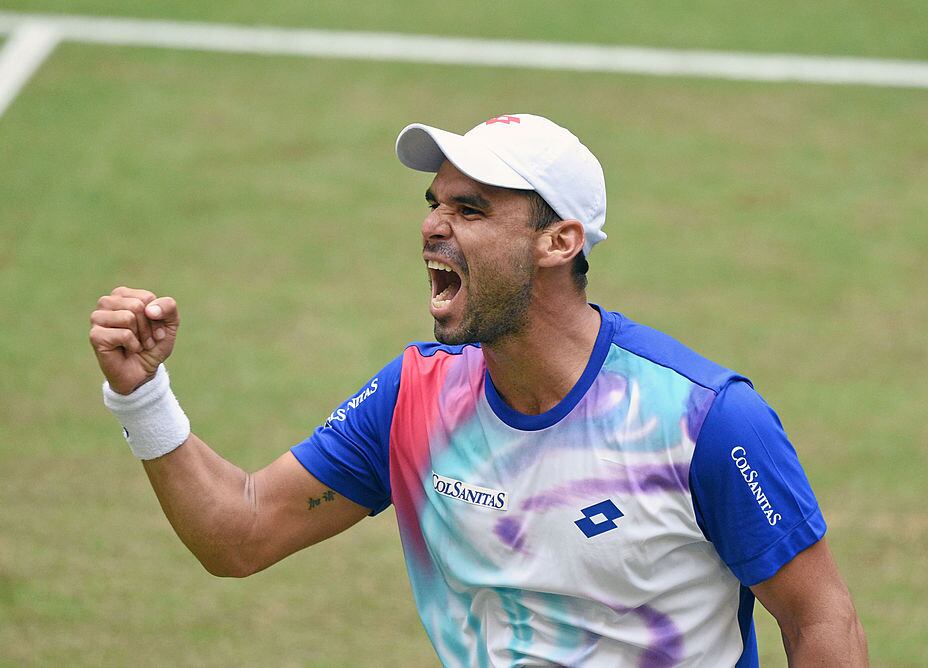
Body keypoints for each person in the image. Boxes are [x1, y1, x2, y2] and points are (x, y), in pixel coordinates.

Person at [89, 114, 867, 666]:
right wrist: (142, 398)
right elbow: (241, 532)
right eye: (434, 204)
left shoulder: (705, 420)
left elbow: (818, 617)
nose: (434, 226)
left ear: (559, 242)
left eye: (471, 209)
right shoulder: (415, 398)